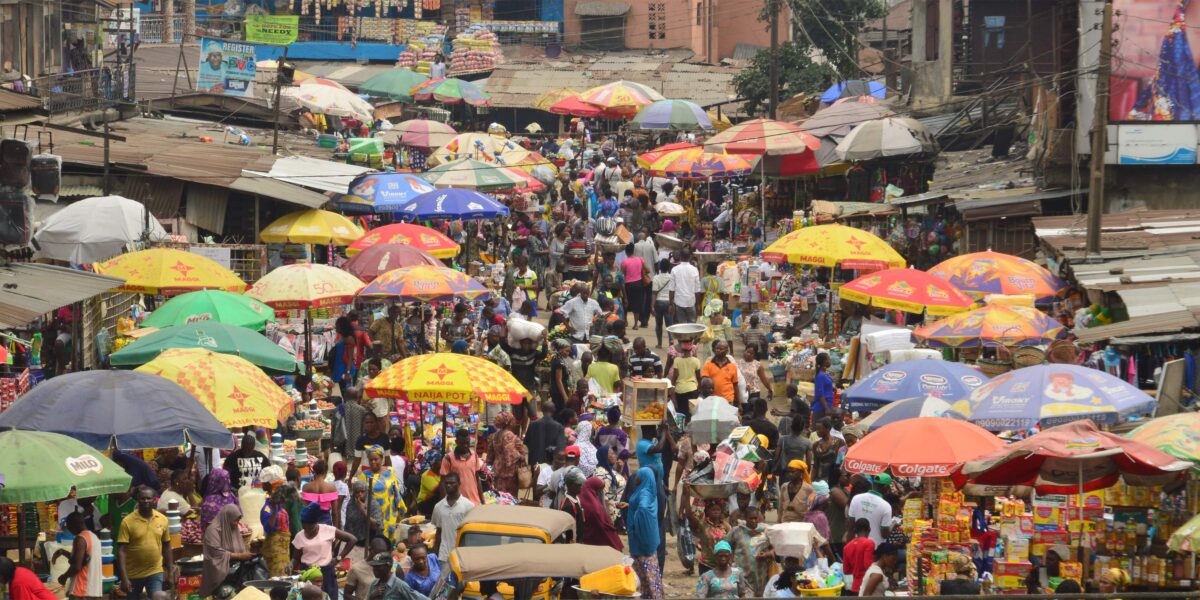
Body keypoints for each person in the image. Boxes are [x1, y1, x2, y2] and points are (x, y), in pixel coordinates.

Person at [117, 486, 173, 600]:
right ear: (138, 499)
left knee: (158, 596)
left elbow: (166, 545)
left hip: (155, 571)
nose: (146, 501)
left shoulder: (162, 519)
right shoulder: (127, 521)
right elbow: (122, 550)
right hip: (133, 574)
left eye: (149, 498)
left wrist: (170, 571)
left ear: (154, 500)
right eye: (143, 498)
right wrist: (124, 578)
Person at [293, 503, 357, 600]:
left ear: (316, 523)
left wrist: (339, 558)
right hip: (308, 574)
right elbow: (296, 558)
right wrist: (290, 565)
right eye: (305, 528)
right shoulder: (299, 536)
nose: (308, 531)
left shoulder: (327, 530)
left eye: (311, 528)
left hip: (326, 573)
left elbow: (352, 539)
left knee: (329, 596)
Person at [199, 505, 253, 597]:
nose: (236, 523)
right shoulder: (213, 530)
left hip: (236, 572)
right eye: (234, 520)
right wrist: (240, 556)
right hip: (220, 572)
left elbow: (241, 549)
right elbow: (216, 553)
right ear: (226, 518)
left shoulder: (234, 530)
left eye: (238, 521)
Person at [341, 480, 381, 599]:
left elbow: (377, 525)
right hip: (354, 544)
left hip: (369, 544)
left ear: (367, 492)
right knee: (354, 572)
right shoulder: (351, 505)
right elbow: (348, 524)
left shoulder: (373, 504)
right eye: (357, 492)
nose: (359, 495)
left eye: (362, 492)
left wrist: (363, 510)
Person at [627, 467, 663, 599]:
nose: (635, 477)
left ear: (643, 477)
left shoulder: (644, 493)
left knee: (646, 576)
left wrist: (635, 523)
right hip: (645, 541)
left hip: (640, 542)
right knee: (648, 576)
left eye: (638, 475)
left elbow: (643, 509)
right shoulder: (649, 490)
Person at [680, 485, 731, 576]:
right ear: (707, 511)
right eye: (713, 510)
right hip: (706, 565)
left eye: (718, 510)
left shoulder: (726, 526)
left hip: (723, 564)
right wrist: (686, 496)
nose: (716, 512)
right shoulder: (702, 525)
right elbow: (689, 516)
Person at [722, 505, 771, 596]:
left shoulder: (765, 531)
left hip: (761, 575)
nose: (753, 521)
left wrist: (768, 554)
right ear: (745, 518)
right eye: (751, 518)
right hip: (742, 575)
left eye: (755, 518)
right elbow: (724, 545)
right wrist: (729, 560)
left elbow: (776, 547)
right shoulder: (736, 531)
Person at [55, 512, 102, 600]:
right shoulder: (94, 537)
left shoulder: (80, 539)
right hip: (94, 590)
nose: (69, 529)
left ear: (75, 524)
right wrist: (64, 553)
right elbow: (84, 560)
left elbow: (77, 566)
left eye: (69, 526)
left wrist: (64, 577)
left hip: (81, 590)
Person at [431, 472, 475, 566]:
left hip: (462, 556)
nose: (448, 485)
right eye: (446, 483)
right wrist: (435, 552)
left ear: (459, 484)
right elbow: (438, 532)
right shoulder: (438, 507)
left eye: (452, 483)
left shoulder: (468, 506)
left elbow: (471, 534)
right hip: (444, 556)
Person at [488, 411, 528, 495]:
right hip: (507, 472)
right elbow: (510, 454)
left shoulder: (495, 435)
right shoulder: (508, 435)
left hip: (496, 469)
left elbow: (490, 455)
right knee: (509, 496)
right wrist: (521, 456)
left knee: (499, 495)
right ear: (508, 421)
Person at [440, 429, 484, 505]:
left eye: (467, 443)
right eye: (462, 443)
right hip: (457, 504)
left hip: (475, 502)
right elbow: (443, 482)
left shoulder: (474, 455)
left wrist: (482, 500)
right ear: (456, 442)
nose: (465, 445)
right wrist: (446, 503)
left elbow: (477, 478)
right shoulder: (448, 459)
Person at [848, 474, 893, 546]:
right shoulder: (886, 506)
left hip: (856, 546)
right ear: (886, 487)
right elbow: (884, 534)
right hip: (874, 548)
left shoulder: (856, 498)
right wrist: (892, 526)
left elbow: (850, 526)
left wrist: (848, 547)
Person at [261, 485, 293, 577]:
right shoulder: (267, 509)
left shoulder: (281, 508)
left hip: (284, 548)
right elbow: (268, 527)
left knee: (285, 572)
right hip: (275, 549)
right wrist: (274, 511)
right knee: (277, 574)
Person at [525, 401, 566, 466]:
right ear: (554, 410)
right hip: (551, 464)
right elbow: (560, 447)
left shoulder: (532, 425)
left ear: (541, 409)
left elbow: (526, 443)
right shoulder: (559, 427)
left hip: (535, 464)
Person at [701, 340, 742, 406]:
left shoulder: (732, 366)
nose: (718, 350)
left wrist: (739, 403)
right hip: (712, 400)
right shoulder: (708, 364)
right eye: (717, 348)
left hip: (728, 400)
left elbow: (735, 385)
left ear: (726, 351)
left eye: (721, 349)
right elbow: (704, 382)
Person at [302, 460, 342, 526]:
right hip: (326, 522)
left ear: (314, 471)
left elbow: (305, 509)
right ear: (325, 472)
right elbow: (335, 513)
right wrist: (335, 530)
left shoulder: (306, 487)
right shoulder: (331, 488)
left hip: (311, 523)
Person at [843, 518, 876, 594]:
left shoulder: (847, 547)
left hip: (854, 587)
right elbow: (868, 565)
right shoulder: (869, 543)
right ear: (869, 529)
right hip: (867, 586)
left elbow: (846, 571)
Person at [621, 243, 650, 328]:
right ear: (633, 250)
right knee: (637, 304)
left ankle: (625, 321)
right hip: (639, 284)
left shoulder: (624, 261)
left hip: (628, 284)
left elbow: (622, 274)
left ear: (626, 252)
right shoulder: (640, 259)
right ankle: (636, 324)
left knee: (625, 302)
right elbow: (648, 270)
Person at [669, 250, 702, 324]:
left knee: (681, 325)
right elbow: (697, 289)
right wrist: (698, 304)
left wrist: (670, 304)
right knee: (691, 325)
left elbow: (671, 289)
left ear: (680, 257)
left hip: (679, 301)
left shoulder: (674, 269)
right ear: (690, 257)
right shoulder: (694, 270)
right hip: (691, 301)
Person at [810, 418, 844, 484]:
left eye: (819, 429)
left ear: (828, 429)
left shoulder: (839, 443)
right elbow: (815, 465)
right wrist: (811, 481)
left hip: (834, 479)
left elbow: (843, 462)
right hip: (819, 480)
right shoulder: (816, 445)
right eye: (816, 429)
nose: (817, 431)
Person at [651, 259, 674, 347]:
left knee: (659, 324)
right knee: (669, 325)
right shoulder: (671, 277)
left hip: (658, 302)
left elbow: (654, 293)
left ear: (660, 267)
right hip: (668, 302)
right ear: (669, 267)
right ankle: (671, 341)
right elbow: (673, 291)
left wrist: (652, 306)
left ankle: (659, 343)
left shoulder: (656, 278)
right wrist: (672, 303)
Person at [558, 467, 586, 538]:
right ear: (569, 485)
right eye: (578, 485)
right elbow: (568, 531)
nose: (581, 486)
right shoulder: (568, 505)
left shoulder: (576, 498)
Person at [548, 339, 573, 413]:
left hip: (556, 390)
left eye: (569, 351)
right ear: (560, 349)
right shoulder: (559, 362)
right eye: (566, 351)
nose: (568, 353)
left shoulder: (556, 358)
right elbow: (558, 380)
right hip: (558, 392)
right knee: (559, 411)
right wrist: (565, 396)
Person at [812, 352, 835, 418]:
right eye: (829, 359)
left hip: (826, 406)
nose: (830, 360)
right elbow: (820, 394)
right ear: (825, 361)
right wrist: (826, 408)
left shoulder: (823, 374)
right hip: (821, 408)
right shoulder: (820, 376)